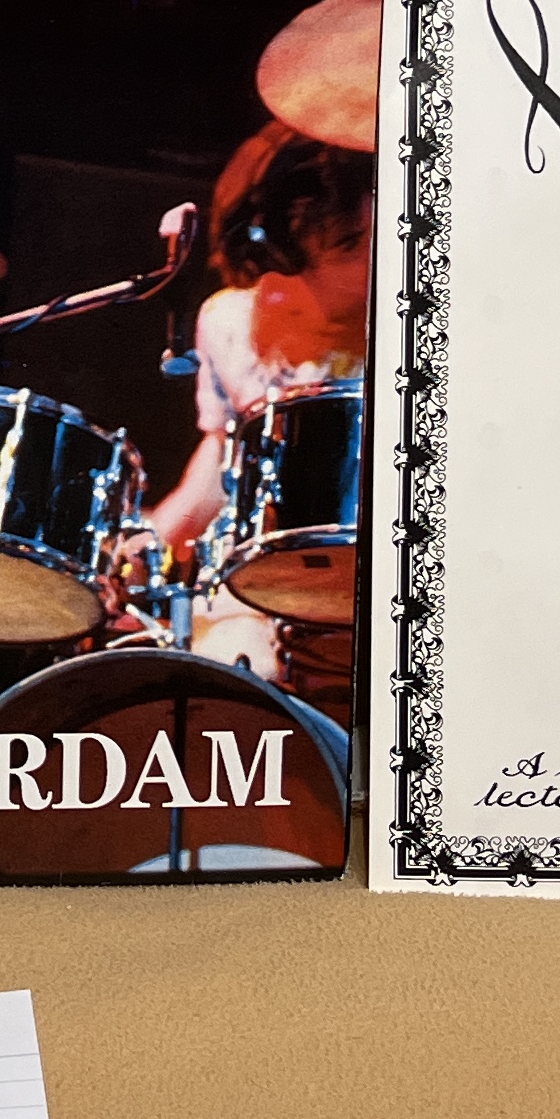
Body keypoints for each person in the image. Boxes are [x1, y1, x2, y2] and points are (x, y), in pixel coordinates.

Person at [141, 117, 372, 697]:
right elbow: (224, 460)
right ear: (284, 252)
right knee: (226, 676)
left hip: (394, 580)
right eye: (349, 244)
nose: (377, 254)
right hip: (271, 583)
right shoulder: (230, 321)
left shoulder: (427, 322)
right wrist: (147, 540)